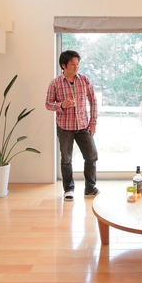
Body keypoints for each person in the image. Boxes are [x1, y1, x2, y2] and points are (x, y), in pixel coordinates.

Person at [45, 50, 99, 201]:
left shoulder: (84, 80)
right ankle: (68, 189)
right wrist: (61, 105)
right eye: (72, 64)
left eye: (77, 64)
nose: (76, 67)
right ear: (64, 65)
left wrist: (93, 121)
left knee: (92, 156)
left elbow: (93, 100)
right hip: (64, 127)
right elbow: (48, 104)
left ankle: (90, 189)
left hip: (83, 126)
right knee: (66, 159)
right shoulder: (55, 83)